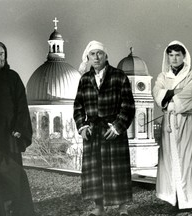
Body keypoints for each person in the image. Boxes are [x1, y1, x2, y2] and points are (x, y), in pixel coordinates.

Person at [73, 41, 135, 216]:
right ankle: (99, 207)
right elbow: (78, 106)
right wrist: (82, 126)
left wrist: (118, 127)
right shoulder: (85, 79)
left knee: (118, 169)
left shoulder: (118, 76)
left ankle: (122, 207)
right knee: (96, 172)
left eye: (100, 53)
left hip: (113, 130)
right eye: (92, 54)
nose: (96, 57)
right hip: (93, 132)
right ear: (88, 57)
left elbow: (128, 105)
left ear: (106, 55)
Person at [152, 40, 192, 213]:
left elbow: (190, 94)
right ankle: (177, 198)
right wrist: (172, 93)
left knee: (191, 160)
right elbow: (158, 94)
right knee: (171, 161)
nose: (174, 58)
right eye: (170, 55)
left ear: (184, 56)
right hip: (169, 125)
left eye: (178, 54)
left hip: (187, 123)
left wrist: (169, 96)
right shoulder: (163, 76)